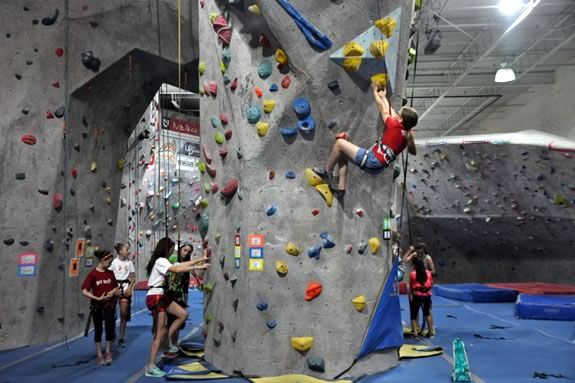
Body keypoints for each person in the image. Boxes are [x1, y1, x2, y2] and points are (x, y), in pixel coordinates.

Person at [313, 82, 418, 197]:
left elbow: (384, 110)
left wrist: (375, 91)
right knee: (341, 153)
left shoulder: (394, 126)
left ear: (401, 120)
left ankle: (326, 172)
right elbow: (391, 113)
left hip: (373, 160)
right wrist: (383, 97)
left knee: (339, 143)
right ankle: (341, 189)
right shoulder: (406, 135)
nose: (396, 113)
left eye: (399, 113)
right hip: (378, 166)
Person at [144, 237, 210, 378]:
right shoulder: (161, 261)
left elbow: (183, 264)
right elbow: (176, 268)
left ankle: (165, 341)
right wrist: (198, 267)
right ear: (165, 249)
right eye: (170, 249)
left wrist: (201, 259)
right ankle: (150, 366)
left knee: (182, 314)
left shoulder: (164, 261)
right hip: (156, 296)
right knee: (158, 334)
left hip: (162, 295)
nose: (171, 252)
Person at [81, 250, 118, 366]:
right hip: (97, 305)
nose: (110, 264)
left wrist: (113, 292)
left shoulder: (110, 273)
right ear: (103, 260)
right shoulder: (93, 274)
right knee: (98, 329)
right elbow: (84, 291)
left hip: (109, 305)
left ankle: (107, 351)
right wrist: (96, 298)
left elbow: (116, 288)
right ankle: (99, 354)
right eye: (109, 262)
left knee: (109, 328)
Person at [165, 243, 194, 354]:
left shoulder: (184, 260)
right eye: (185, 250)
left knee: (178, 321)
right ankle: (168, 343)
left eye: (188, 252)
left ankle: (174, 343)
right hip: (170, 292)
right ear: (180, 249)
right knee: (172, 319)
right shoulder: (173, 258)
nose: (186, 253)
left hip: (178, 292)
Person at [110, 242, 135, 348]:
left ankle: (121, 337)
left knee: (123, 313)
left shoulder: (129, 263)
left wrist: (130, 288)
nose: (128, 251)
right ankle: (112, 334)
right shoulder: (114, 262)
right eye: (126, 249)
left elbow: (133, 277)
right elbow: (109, 275)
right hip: (115, 288)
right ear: (120, 251)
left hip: (125, 288)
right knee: (111, 314)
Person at [409, 257, 434, 338]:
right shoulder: (428, 273)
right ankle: (430, 332)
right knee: (427, 313)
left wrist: (412, 294)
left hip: (417, 296)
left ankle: (415, 333)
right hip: (427, 296)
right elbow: (431, 284)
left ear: (415, 266)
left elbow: (412, 286)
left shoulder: (412, 274)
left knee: (413, 314)